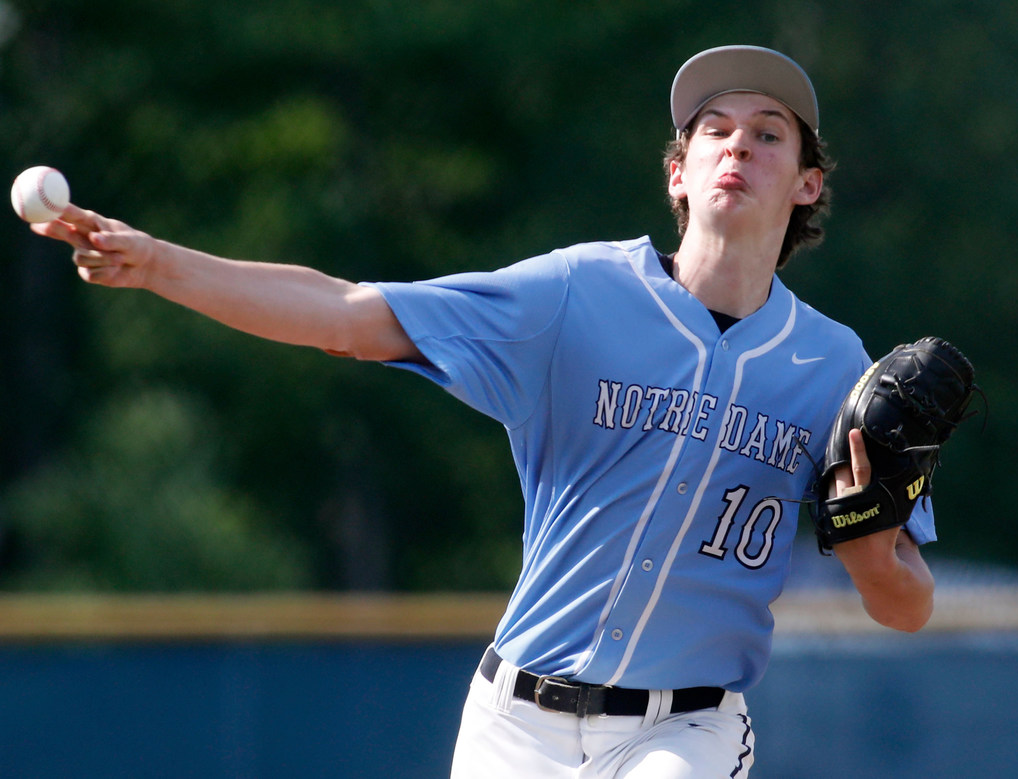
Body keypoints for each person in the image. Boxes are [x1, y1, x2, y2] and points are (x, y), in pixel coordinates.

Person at [31, 45, 935, 778]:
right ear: (678, 173)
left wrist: (865, 544)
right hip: (514, 727)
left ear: (809, 184)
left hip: (683, 735)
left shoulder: (836, 371)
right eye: (714, 130)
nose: (737, 145)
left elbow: (905, 606)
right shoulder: (578, 294)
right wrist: (157, 265)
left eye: (770, 134)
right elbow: (348, 315)